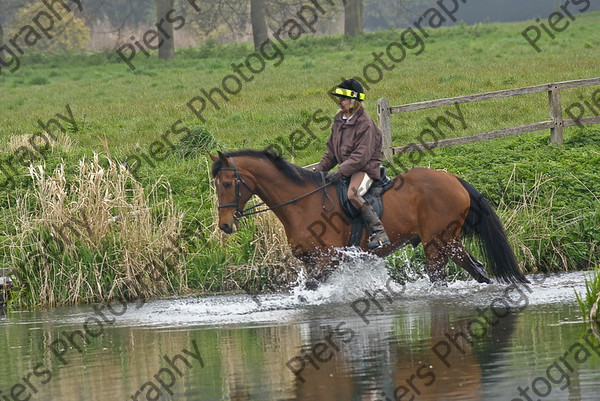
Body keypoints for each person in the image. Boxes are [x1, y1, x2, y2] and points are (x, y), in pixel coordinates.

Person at [314, 79, 391, 250]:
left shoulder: (365, 123)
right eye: (339, 99)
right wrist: (317, 172)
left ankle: (379, 233)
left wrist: (340, 172)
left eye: (344, 99)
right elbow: (331, 153)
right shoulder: (339, 121)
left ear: (354, 101)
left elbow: (361, 156)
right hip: (347, 169)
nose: (340, 102)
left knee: (352, 195)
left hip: (365, 169)